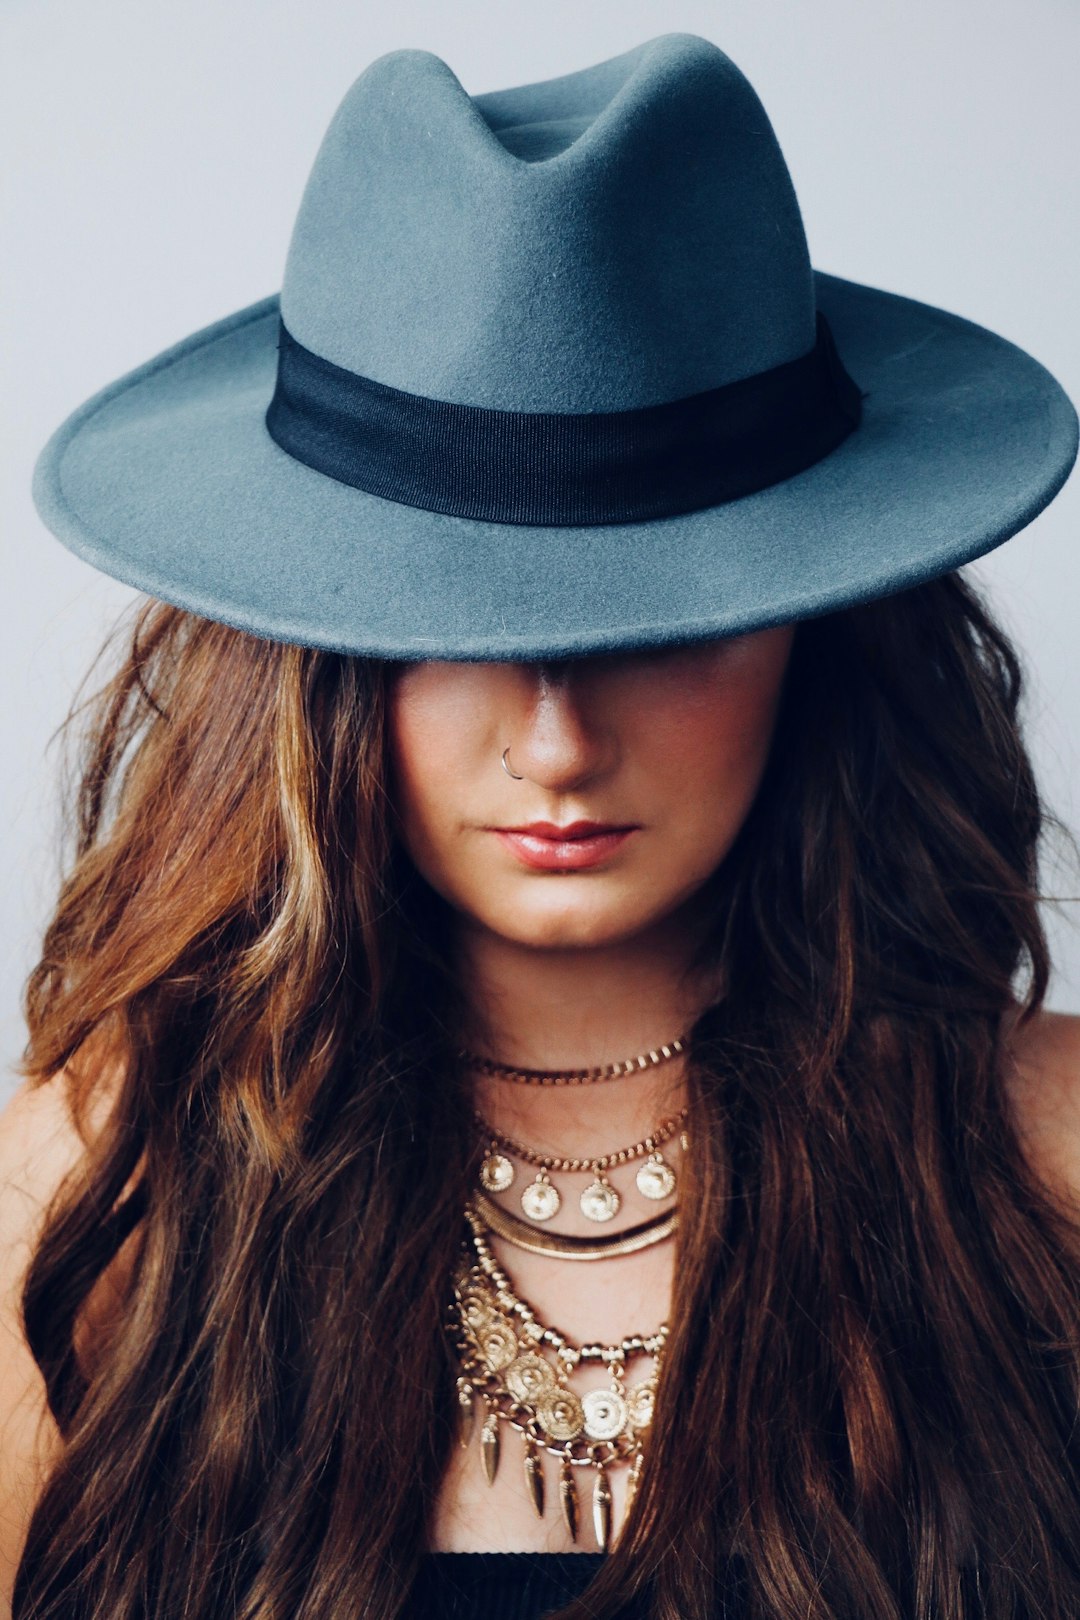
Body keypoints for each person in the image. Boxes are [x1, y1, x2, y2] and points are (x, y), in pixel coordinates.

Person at [3, 29, 1080, 1620]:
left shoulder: (1050, 1165)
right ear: (307, 659)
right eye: (448, 627)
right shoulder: (95, 1195)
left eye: (660, 626)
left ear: (818, 621)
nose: (558, 741)